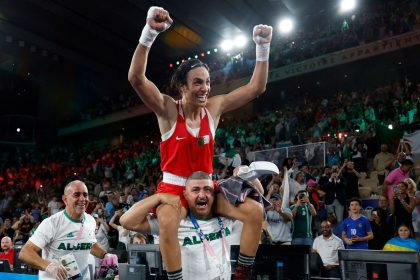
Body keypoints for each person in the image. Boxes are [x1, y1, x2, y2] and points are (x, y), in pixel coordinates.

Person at [128, 6, 272, 279]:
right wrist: (149, 34)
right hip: (174, 188)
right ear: (182, 86)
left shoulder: (213, 109)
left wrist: (262, 47)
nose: (205, 88)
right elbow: (136, 79)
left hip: (207, 185)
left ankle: (242, 272)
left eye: (207, 82)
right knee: (168, 222)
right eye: (197, 83)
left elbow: (256, 88)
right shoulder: (169, 110)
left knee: (254, 211)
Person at [121, 171, 239, 280]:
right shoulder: (174, 223)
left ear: (214, 194)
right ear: (185, 194)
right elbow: (127, 221)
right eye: (196, 190)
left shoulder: (225, 218)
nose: (202, 195)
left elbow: (256, 210)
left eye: (207, 189)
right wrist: (158, 197)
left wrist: (244, 175)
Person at [18, 180, 114, 280]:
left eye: (85, 195)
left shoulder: (90, 220)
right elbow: (25, 253)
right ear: (65, 200)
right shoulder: (51, 223)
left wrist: (105, 255)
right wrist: (47, 266)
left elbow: (90, 243)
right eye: (76, 195)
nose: (82, 199)